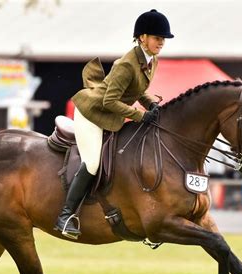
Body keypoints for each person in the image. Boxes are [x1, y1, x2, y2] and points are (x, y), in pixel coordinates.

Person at [54, 9, 174, 238]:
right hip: (92, 113)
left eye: (163, 39)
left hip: (110, 116)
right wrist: (140, 116)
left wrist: (151, 105)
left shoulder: (152, 60)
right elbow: (109, 101)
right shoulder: (126, 64)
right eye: (158, 38)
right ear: (142, 38)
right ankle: (66, 215)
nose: (161, 43)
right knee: (92, 162)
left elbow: (137, 91)